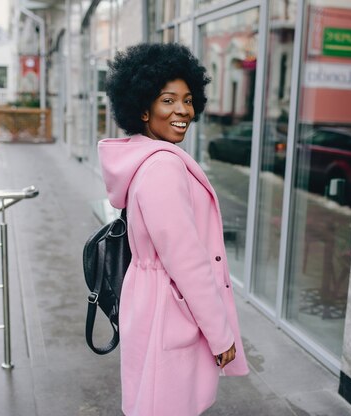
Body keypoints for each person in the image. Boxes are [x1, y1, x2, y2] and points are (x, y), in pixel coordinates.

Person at [98, 43, 249, 416]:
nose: (183, 110)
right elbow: (187, 262)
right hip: (169, 307)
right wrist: (221, 333)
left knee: (148, 399)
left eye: (187, 99)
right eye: (168, 100)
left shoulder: (141, 156)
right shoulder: (162, 167)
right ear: (144, 109)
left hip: (151, 301)